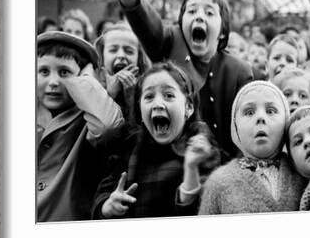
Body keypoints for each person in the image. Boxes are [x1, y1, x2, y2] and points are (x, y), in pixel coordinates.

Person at [100, 0, 253, 161]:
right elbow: (146, 20)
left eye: (209, 12)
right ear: (181, 24)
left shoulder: (239, 71)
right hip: (172, 166)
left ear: (222, 31)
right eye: (191, 11)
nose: (199, 16)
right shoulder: (170, 43)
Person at [91, 62, 220, 219]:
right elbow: (101, 197)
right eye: (149, 96)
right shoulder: (128, 145)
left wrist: (191, 168)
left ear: (189, 107)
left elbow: (205, 213)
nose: (158, 104)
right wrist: (107, 206)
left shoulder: (201, 146)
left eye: (169, 96)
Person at [36, 31, 124, 222]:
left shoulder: (86, 117)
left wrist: (87, 79)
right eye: (44, 71)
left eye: (64, 72)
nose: (53, 82)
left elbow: (107, 125)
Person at [199, 81, 306, 215]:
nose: (260, 117)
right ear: (235, 126)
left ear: (286, 121)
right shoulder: (218, 182)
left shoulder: (302, 170)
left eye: (271, 111)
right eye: (249, 112)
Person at [94, 22, 149, 121]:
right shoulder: (91, 86)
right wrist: (109, 95)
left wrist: (130, 98)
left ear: (139, 59)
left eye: (129, 51)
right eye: (113, 50)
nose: (121, 55)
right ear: (102, 55)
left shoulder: (147, 88)